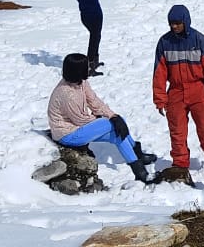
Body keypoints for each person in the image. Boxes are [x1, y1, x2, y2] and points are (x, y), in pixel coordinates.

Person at [47, 53, 156, 182]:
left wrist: (113, 115)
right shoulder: (67, 94)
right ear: (77, 70)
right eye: (86, 67)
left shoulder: (81, 82)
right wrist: (103, 119)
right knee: (111, 124)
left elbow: (94, 101)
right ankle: (138, 161)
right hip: (68, 135)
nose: (89, 69)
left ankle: (139, 169)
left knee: (117, 129)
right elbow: (80, 120)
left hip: (77, 127)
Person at [152, 5, 204, 181]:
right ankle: (180, 163)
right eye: (171, 24)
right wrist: (160, 99)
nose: (174, 27)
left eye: (177, 23)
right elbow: (159, 73)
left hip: (198, 91)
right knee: (177, 131)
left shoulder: (200, 40)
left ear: (185, 21)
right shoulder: (164, 42)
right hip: (176, 92)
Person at [72, 0, 111, 75]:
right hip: (96, 16)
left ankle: (94, 61)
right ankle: (89, 66)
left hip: (84, 16)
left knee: (95, 37)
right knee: (94, 39)